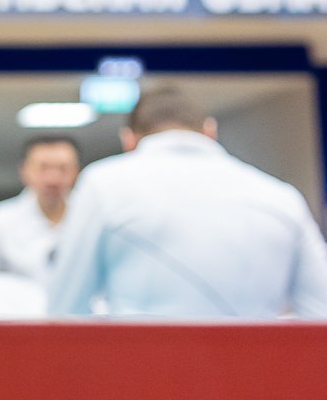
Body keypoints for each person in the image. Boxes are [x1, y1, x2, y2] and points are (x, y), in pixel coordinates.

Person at [48, 86, 327, 319]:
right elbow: (320, 310)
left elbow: (66, 310)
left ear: (128, 140)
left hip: (143, 365)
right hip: (259, 367)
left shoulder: (103, 184)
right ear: (210, 131)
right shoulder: (281, 197)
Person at [0, 136, 81, 289]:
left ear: (76, 172)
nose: (53, 179)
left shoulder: (92, 217)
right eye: (43, 168)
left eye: (63, 168)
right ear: (24, 170)